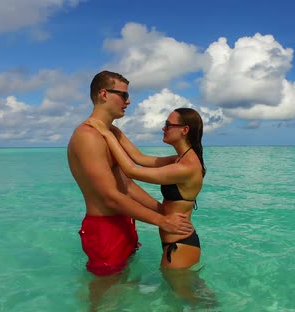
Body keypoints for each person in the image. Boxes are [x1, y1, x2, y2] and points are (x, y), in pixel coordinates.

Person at [67, 70, 194, 278]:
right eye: (124, 95)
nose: (128, 101)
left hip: (125, 222)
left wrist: (164, 211)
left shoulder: (112, 133)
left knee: (126, 290)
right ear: (104, 94)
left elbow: (128, 185)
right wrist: (162, 221)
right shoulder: (87, 137)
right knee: (105, 299)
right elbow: (110, 197)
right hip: (104, 228)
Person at [86, 107, 206, 269]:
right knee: (179, 293)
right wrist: (113, 129)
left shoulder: (186, 167)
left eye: (168, 125)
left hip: (180, 245)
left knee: (185, 294)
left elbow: (131, 171)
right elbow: (139, 158)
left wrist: (107, 135)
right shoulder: (179, 160)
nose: (163, 128)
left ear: (184, 130)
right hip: (176, 242)